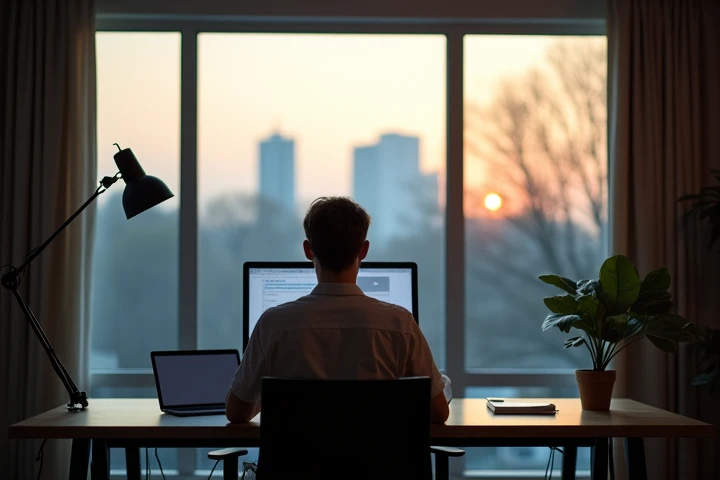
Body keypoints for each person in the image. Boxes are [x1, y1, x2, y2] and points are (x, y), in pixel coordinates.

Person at [226, 196, 451, 424]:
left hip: (298, 461)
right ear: (363, 250)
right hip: (378, 460)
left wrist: (277, 397)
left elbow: (236, 413)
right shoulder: (400, 324)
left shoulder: (273, 324)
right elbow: (439, 414)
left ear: (308, 250)